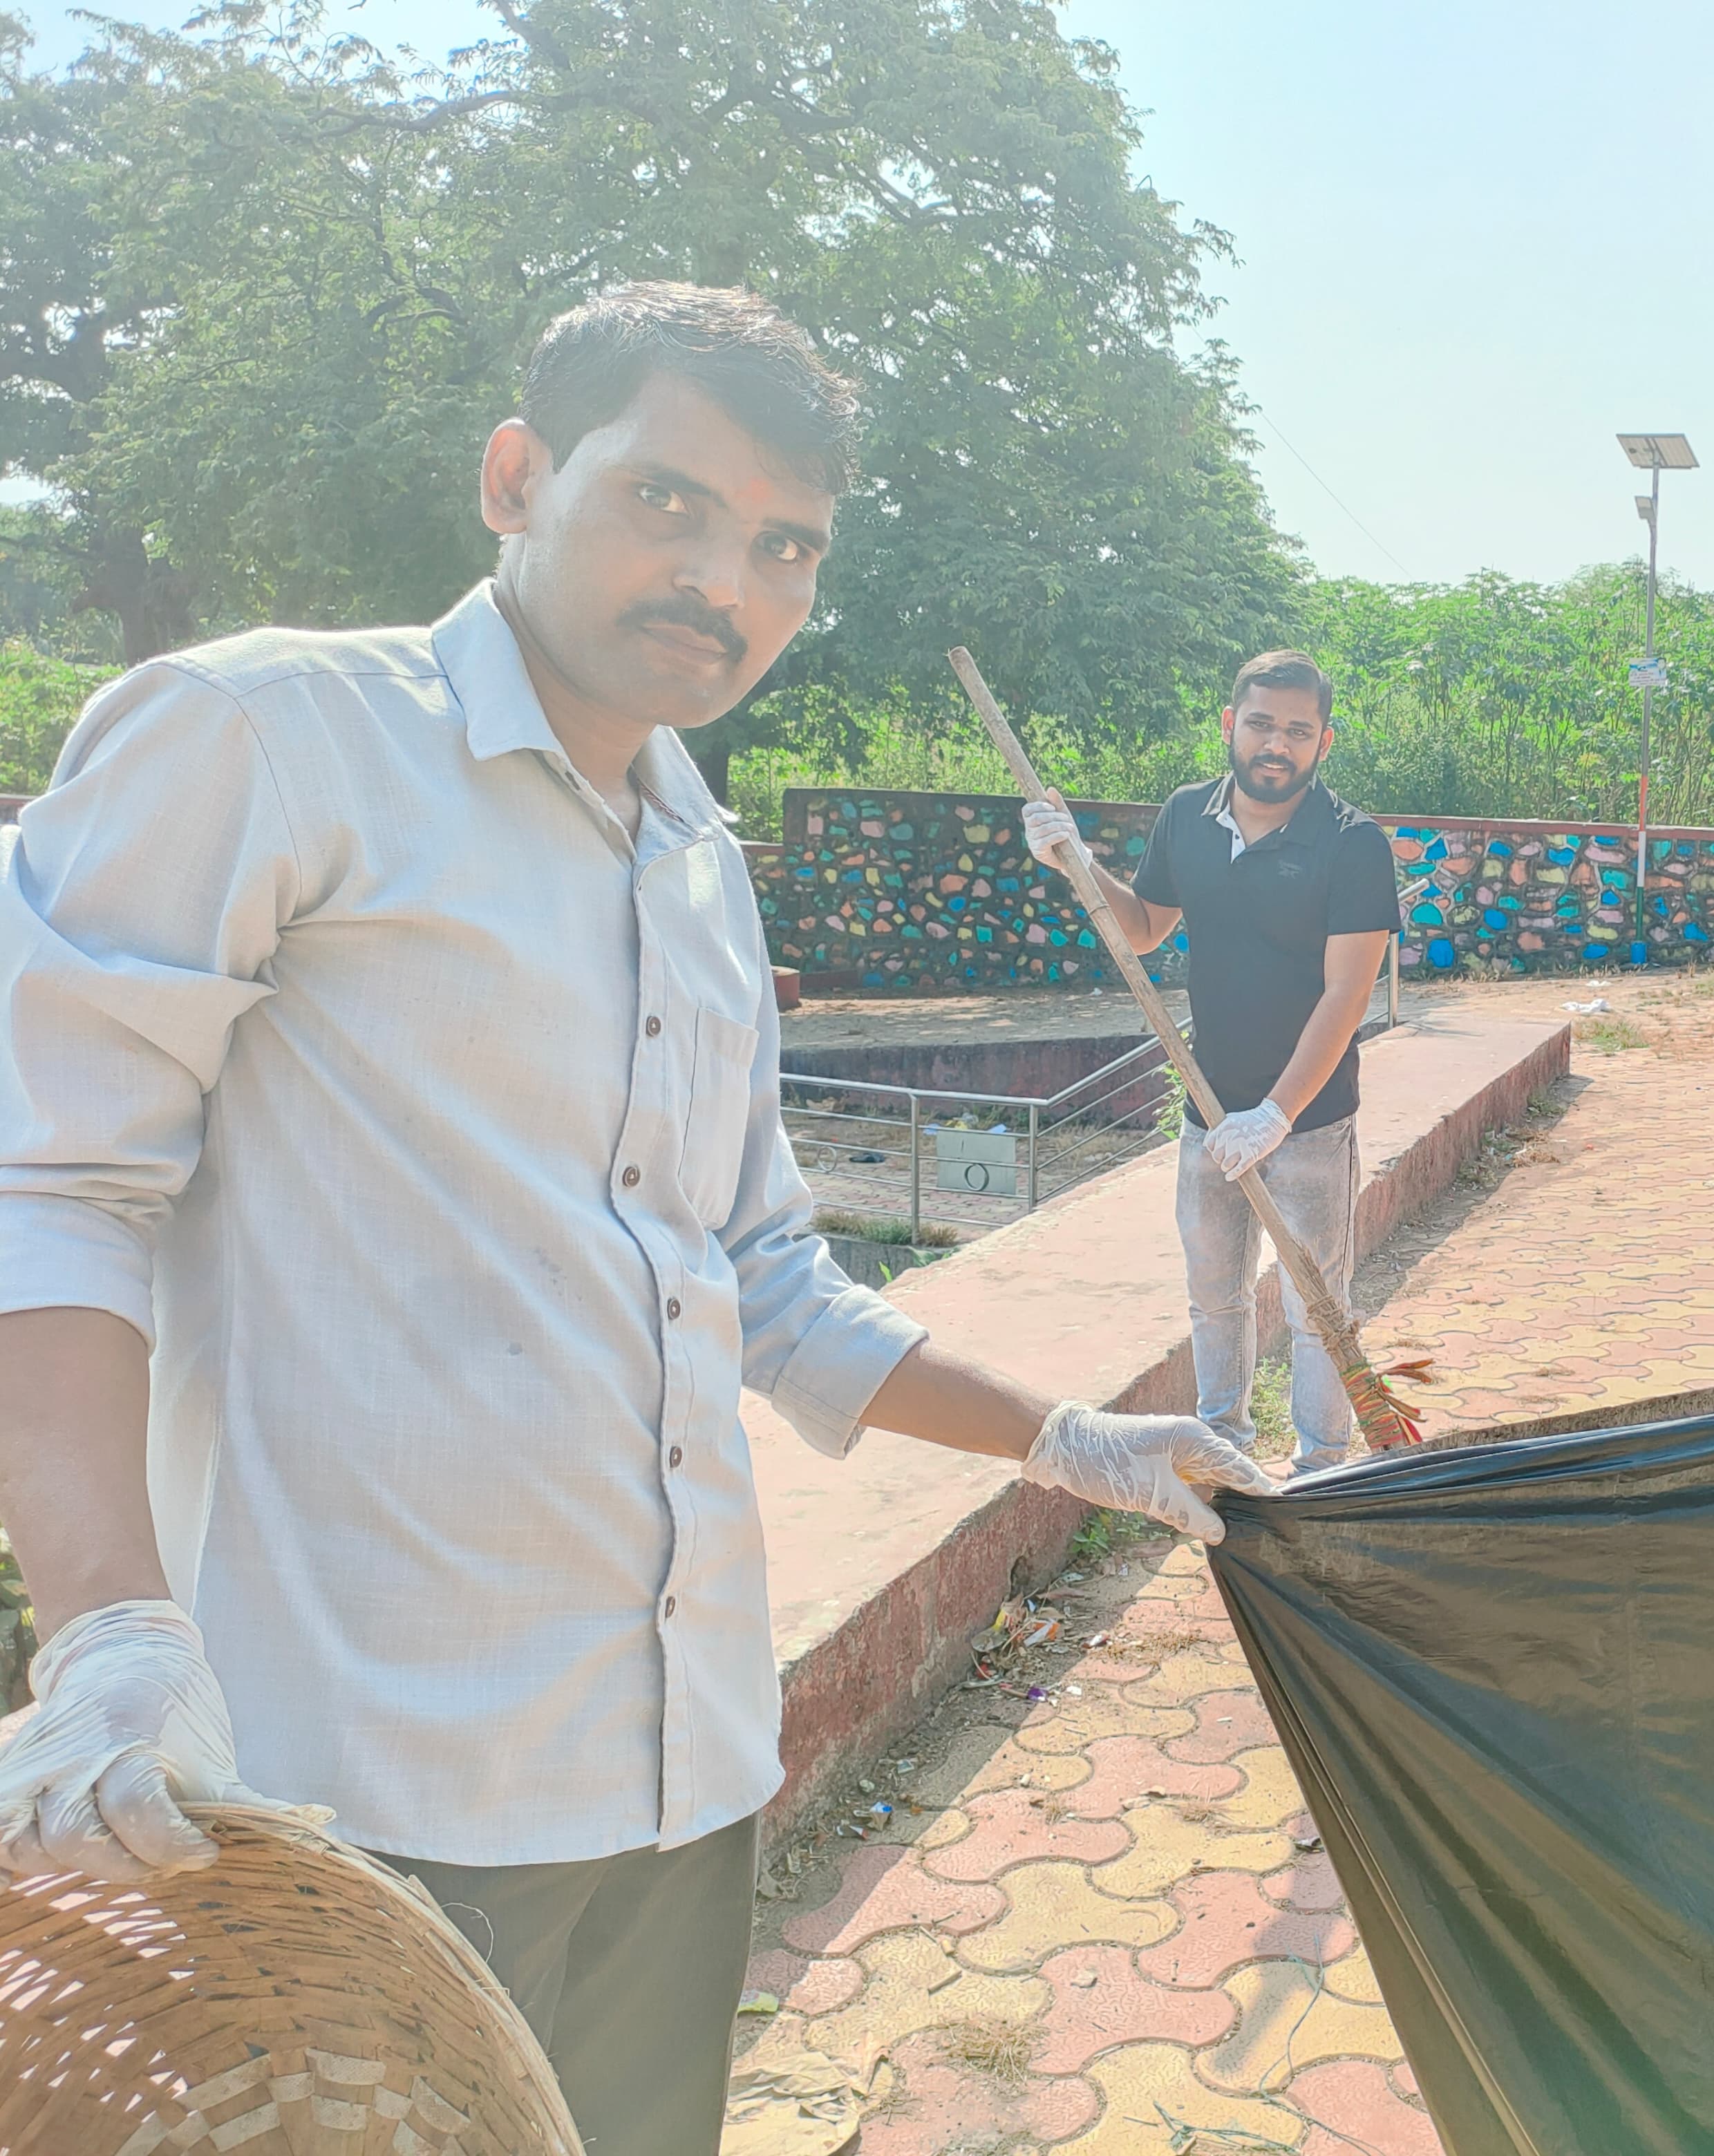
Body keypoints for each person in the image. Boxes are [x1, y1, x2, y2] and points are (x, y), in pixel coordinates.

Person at [0, 283, 1273, 2155]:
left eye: (783, 545)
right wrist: (106, 1629)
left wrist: (1067, 1438)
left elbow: (760, 1276)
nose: (722, 580)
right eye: (667, 501)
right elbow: (53, 1187)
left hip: (680, 1766)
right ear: (518, 476)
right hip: (367, 1796)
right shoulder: (268, 741)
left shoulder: (699, 864)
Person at [1024, 654, 1398, 1474]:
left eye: (1297, 730)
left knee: (1316, 1306)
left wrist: (1276, 1114)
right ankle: (1223, 1454)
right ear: (1230, 724)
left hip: (1308, 1122)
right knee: (1214, 1298)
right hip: (1207, 1112)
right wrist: (1075, 862)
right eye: (1261, 724)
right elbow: (1144, 927)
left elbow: (1346, 994)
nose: (1276, 744)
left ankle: (1322, 1467)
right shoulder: (1186, 816)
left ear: (1324, 741)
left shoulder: (1352, 843)